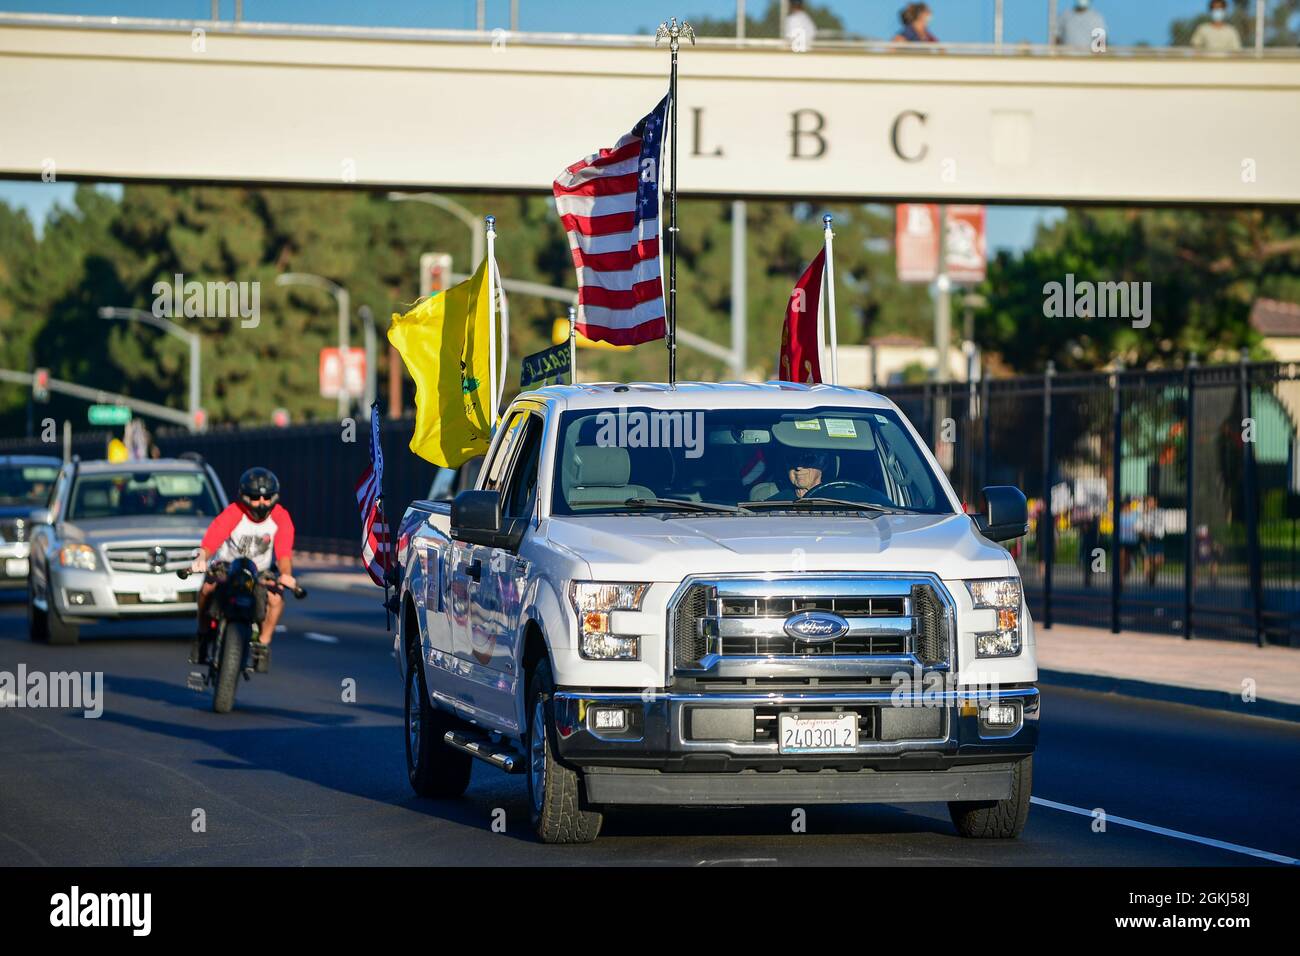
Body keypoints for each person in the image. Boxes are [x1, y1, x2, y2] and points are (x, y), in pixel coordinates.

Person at [189, 467, 296, 671]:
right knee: (206, 589)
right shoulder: (233, 512)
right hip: (227, 566)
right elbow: (213, 538)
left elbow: (284, 553)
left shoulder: (281, 517)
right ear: (243, 496)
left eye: (267, 497)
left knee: (276, 598)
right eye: (255, 498)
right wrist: (202, 557)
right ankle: (202, 635)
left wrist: (286, 575)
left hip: (260, 571)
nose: (262, 503)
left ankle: (262, 644)